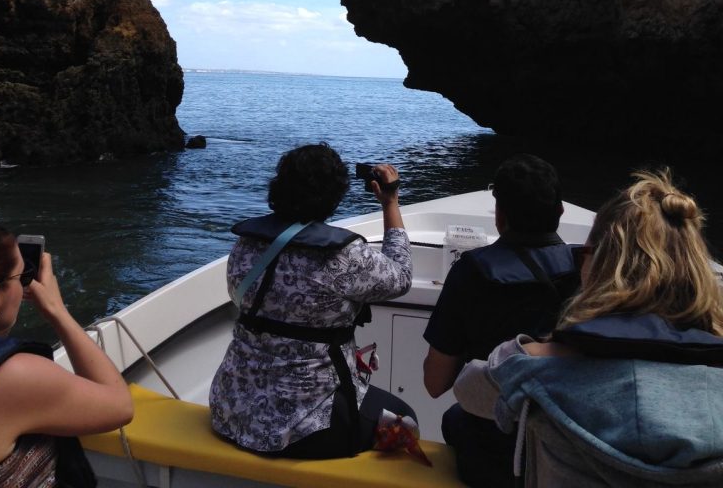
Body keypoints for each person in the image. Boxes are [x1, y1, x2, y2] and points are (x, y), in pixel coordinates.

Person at [454, 169, 723, 486]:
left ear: (602, 266)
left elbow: (467, 389)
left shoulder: (533, 370)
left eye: (585, 253)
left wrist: (540, 344)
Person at [209, 142, 415, 458]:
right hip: (307, 428)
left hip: (232, 412)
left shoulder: (246, 245)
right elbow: (400, 277)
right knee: (404, 420)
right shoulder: (344, 256)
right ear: (335, 196)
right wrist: (390, 202)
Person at [423, 153, 579, 487]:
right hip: (568, 449)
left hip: (495, 450)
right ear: (561, 211)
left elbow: (435, 383)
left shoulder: (472, 271)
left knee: (454, 418)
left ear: (500, 216)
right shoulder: (589, 271)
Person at [0, 219, 133, 488]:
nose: (24, 285)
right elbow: (120, 406)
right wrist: (56, 310)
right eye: (21, 277)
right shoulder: (12, 378)